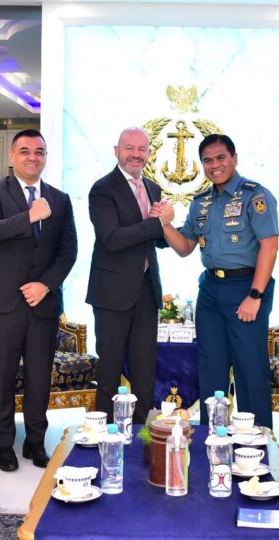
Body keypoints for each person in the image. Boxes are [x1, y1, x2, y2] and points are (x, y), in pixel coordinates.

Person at [0, 129, 77, 471]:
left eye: (39, 151)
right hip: (3, 302)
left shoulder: (60, 198)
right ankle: (4, 443)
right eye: (25, 151)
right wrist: (30, 216)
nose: (33, 157)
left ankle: (35, 441)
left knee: (39, 375)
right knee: (3, 374)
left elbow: (68, 252)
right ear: (11, 156)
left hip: (42, 302)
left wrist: (45, 285)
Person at [162, 134, 278, 429]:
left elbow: (269, 246)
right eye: (208, 160)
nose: (215, 165)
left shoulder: (255, 196)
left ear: (234, 158)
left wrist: (255, 295)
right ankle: (212, 436)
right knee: (211, 368)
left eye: (221, 158)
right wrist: (163, 223)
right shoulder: (201, 202)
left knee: (249, 370)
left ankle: (256, 440)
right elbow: (185, 247)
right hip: (211, 290)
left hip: (246, 287)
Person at [87, 127, 174, 424]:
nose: (136, 154)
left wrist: (174, 229)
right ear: (117, 151)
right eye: (129, 148)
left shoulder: (153, 188)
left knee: (145, 369)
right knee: (109, 370)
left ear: (148, 153)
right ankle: (105, 434)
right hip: (111, 293)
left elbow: (155, 239)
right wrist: (157, 223)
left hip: (147, 291)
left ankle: (142, 435)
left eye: (142, 149)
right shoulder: (102, 189)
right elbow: (112, 238)